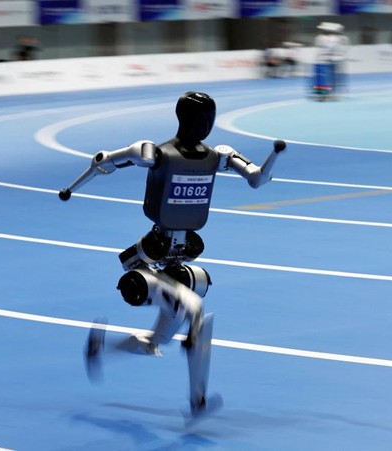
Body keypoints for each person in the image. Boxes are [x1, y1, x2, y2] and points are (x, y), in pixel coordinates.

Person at [59, 92, 286, 419]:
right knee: (195, 309)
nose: (206, 124)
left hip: (179, 257)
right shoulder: (155, 153)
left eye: (211, 117)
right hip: (146, 261)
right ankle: (199, 401)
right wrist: (76, 184)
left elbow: (256, 179)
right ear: (185, 118)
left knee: (158, 339)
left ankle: (101, 349)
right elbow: (106, 160)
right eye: (201, 117)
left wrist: (271, 162)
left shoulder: (217, 156)